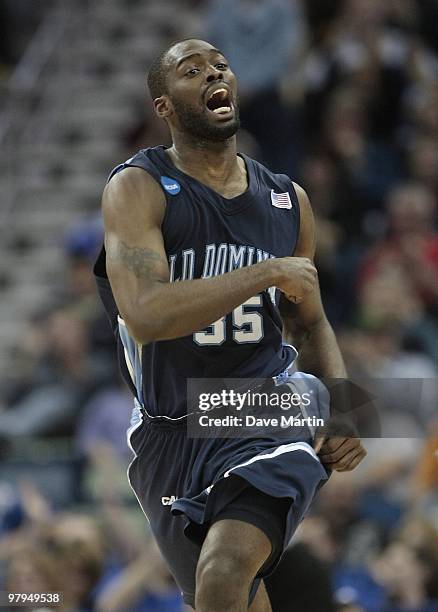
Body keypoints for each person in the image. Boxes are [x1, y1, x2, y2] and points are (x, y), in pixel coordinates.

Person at [94, 39, 367, 612]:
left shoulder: (288, 201)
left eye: (220, 66)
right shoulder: (138, 188)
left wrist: (348, 407)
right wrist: (262, 271)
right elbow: (144, 315)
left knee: (223, 572)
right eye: (192, 72)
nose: (214, 74)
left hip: (261, 403)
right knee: (227, 598)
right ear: (165, 106)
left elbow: (311, 321)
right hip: (169, 428)